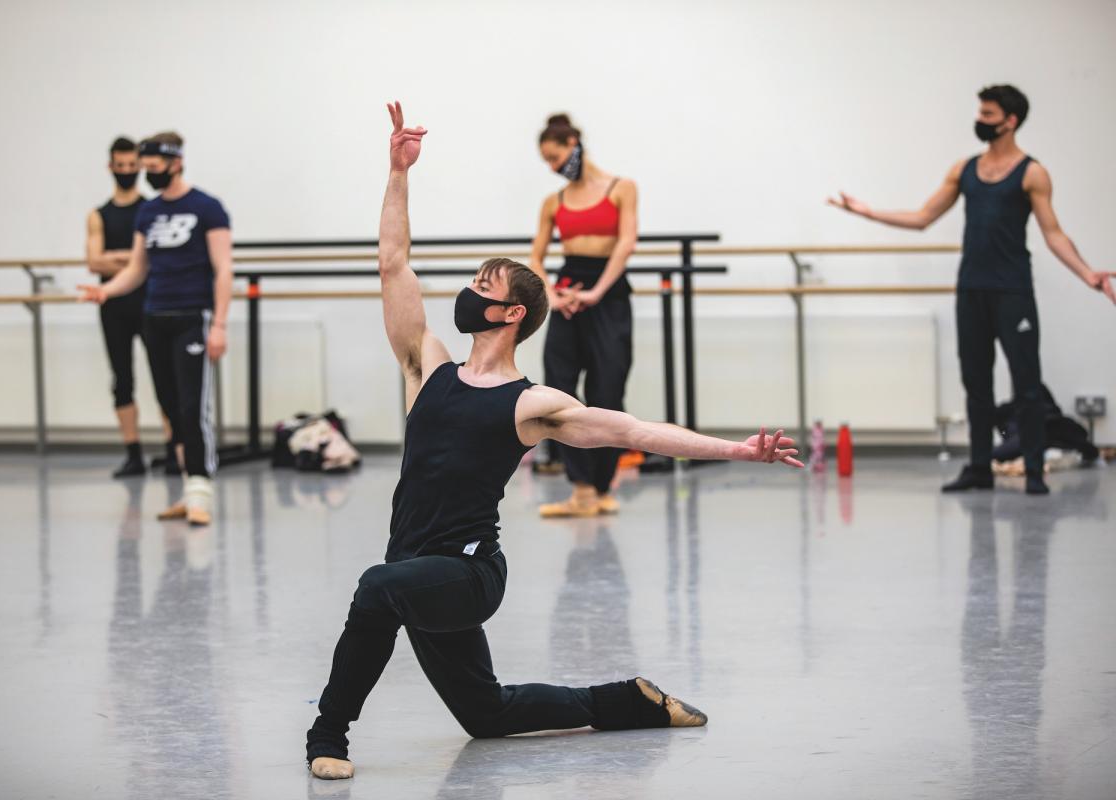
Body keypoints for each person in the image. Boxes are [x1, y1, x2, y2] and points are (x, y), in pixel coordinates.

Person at [304, 101, 803, 781]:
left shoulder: (532, 404)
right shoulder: (428, 368)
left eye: (483, 284)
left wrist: (740, 450)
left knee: (374, 588)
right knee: (487, 714)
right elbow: (394, 265)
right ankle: (631, 700)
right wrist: (398, 172)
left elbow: (635, 431)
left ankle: (327, 735)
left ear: (511, 314)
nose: (467, 289)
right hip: (414, 567)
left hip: (469, 572)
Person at [828, 85, 1114, 496]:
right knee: (975, 383)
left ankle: (1034, 471)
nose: (980, 120)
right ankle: (979, 468)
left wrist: (1087, 273)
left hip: (1013, 291)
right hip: (971, 291)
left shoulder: (1032, 173)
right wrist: (867, 211)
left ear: (1010, 121)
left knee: (1027, 384)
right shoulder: (964, 169)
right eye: (980, 112)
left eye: (988, 114)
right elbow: (923, 216)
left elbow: (1054, 234)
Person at [79, 131, 233, 525]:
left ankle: (200, 491)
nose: (148, 174)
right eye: (143, 168)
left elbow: (223, 270)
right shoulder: (147, 214)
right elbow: (136, 268)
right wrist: (106, 291)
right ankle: (187, 489)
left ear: (176, 162)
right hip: (154, 318)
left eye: (153, 168)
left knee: (192, 408)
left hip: (191, 319)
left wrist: (218, 324)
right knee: (170, 407)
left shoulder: (207, 208)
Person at [527, 113, 640, 517]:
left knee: (608, 390)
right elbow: (536, 258)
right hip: (568, 293)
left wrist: (597, 292)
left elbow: (625, 244)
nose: (554, 167)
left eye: (555, 157)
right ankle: (581, 490)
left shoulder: (621, 188)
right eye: (548, 163)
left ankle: (603, 486)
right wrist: (554, 297)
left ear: (573, 143)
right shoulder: (553, 202)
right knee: (559, 390)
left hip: (607, 293)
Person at [85, 137, 176, 478]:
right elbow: (94, 262)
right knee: (122, 379)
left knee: (163, 377)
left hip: (150, 304)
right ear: (110, 167)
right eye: (119, 166)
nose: (126, 171)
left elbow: (154, 259)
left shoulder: (151, 209)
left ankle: (171, 448)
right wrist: (132, 261)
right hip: (114, 306)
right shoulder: (98, 215)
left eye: (130, 166)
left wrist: (118, 259)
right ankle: (133, 452)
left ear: (139, 167)